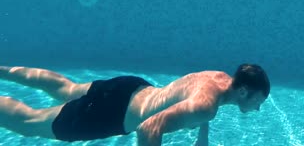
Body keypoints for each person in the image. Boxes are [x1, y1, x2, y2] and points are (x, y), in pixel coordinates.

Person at [0, 63, 270, 145]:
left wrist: (202, 133)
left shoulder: (219, 78)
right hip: (116, 114)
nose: (257, 108)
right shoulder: (206, 106)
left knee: (66, 88)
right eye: (259, 101)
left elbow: (200, 106)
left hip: (131, 87)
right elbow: (148, 127)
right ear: (244, 92)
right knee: (28, 123)